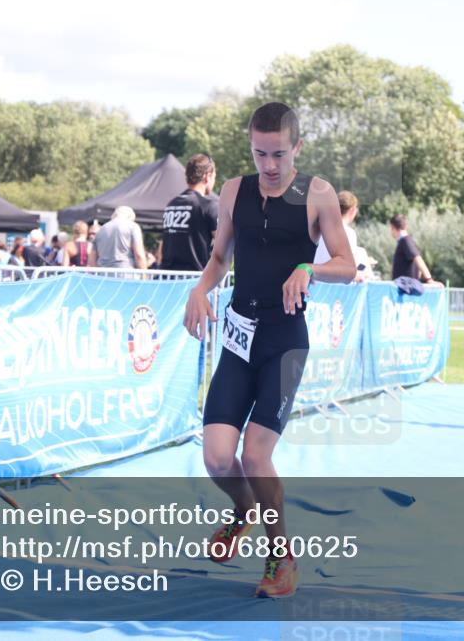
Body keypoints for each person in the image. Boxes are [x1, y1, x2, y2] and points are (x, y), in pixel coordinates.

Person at [183, 102, 355, 598]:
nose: (270, 165)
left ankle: (282, 559)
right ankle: (244, 510)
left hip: (284, 341)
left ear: (297, 147)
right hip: (239, 337)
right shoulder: (233, 190)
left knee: (256, 456)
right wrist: (200, 289)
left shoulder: (317, 194)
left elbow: (346, 263)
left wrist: (309, 270)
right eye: (260, 153)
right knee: (218, 459)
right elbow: (219, 257)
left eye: (279, 153)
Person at [160, 154, 218, 272]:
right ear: (207, 176)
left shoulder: (171, 204)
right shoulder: (208, 205)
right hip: (194, 280)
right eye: (214, 178)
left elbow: (164, 244)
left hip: (167, 279)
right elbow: (224, 244)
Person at [314, 190, 371, 282]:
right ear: (352, 210)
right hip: (333, 287)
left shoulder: (318, 229)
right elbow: (346, 267)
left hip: (314, 283)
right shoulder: (349, 233)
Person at [388, 214, 441, 286]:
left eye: (391, 228)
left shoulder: (406, 240)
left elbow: (418, 258)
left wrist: (429, 279)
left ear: (393, 227)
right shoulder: (405, 241)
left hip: (406, 289)